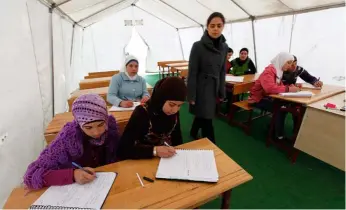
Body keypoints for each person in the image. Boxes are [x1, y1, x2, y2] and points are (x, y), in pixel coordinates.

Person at [23, 94, 120, 189]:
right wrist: (73, 175)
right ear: (79, 124)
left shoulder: (111, 128)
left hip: (105, 183)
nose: (96, 132)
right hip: (78, 190)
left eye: (100, 124)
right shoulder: (67, 139)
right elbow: (31, 175)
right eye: (88, 127)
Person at [117, 77, 186, 159]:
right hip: (143, 160)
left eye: (179, 105)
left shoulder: (173, 112)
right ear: (161, 99)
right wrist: (154, 150)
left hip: (167, 159)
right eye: (171, 104)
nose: (175, 110)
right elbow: (123, 149)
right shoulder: (142, 113)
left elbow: (177, 138)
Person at [187, 12, 228, 143]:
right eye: (212, 25)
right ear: (207, 27)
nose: (216, 29)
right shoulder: (197, 46)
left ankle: (193, 132)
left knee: (204, 114)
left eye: (219, 25)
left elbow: (222, 71)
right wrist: (191, 95)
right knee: (207, 118)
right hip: (201, 87)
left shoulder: (224, 47)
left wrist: (222, 90)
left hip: (214, 86)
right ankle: (211, 145)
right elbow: (192, 72)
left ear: (223, 27)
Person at [248, 52, 299, 141]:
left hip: (267, 98)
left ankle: (275, 129)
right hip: (256, 99)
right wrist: (287, 89)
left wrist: (288, 87)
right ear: (282, 60)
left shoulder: (278, 70)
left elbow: (278, 85)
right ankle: (277, 135)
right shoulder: (269, 71)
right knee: (280, 108)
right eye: (288, 62)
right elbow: (269, 89)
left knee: (286, 106)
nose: (290, 65)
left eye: (291, 63)